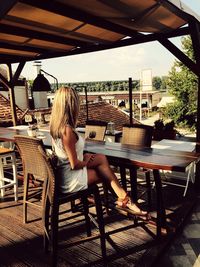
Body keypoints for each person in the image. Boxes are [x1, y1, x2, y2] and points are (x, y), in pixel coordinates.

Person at [50, 86, 147, 216]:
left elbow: (67, 156)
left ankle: (123, 201)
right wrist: (85, 160)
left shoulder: (56, 127)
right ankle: (125, 202)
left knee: (101, 159)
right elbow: (74, 164)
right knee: (104, 172)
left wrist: (85, 157)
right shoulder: (67, 131)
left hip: (63, 175)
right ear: (71, 106)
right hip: (70, 180)